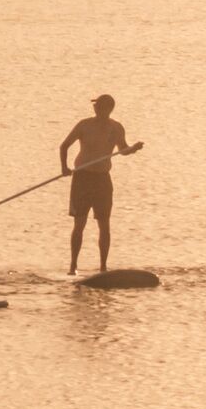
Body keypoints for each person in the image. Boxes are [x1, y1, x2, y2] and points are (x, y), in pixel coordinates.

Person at [57, 94, 142, 277]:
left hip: (102, 179)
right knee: (79, 223)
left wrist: (132, 149)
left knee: (104, 224)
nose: (95, 109)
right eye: (95, 106)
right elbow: (64, 146)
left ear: (108, 108)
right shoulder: (84, 125)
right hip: (82, 178)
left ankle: (103, 267)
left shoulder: (116, 128)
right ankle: (73, 267)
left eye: (99, 107)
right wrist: (64, 167)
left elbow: (123, 150)